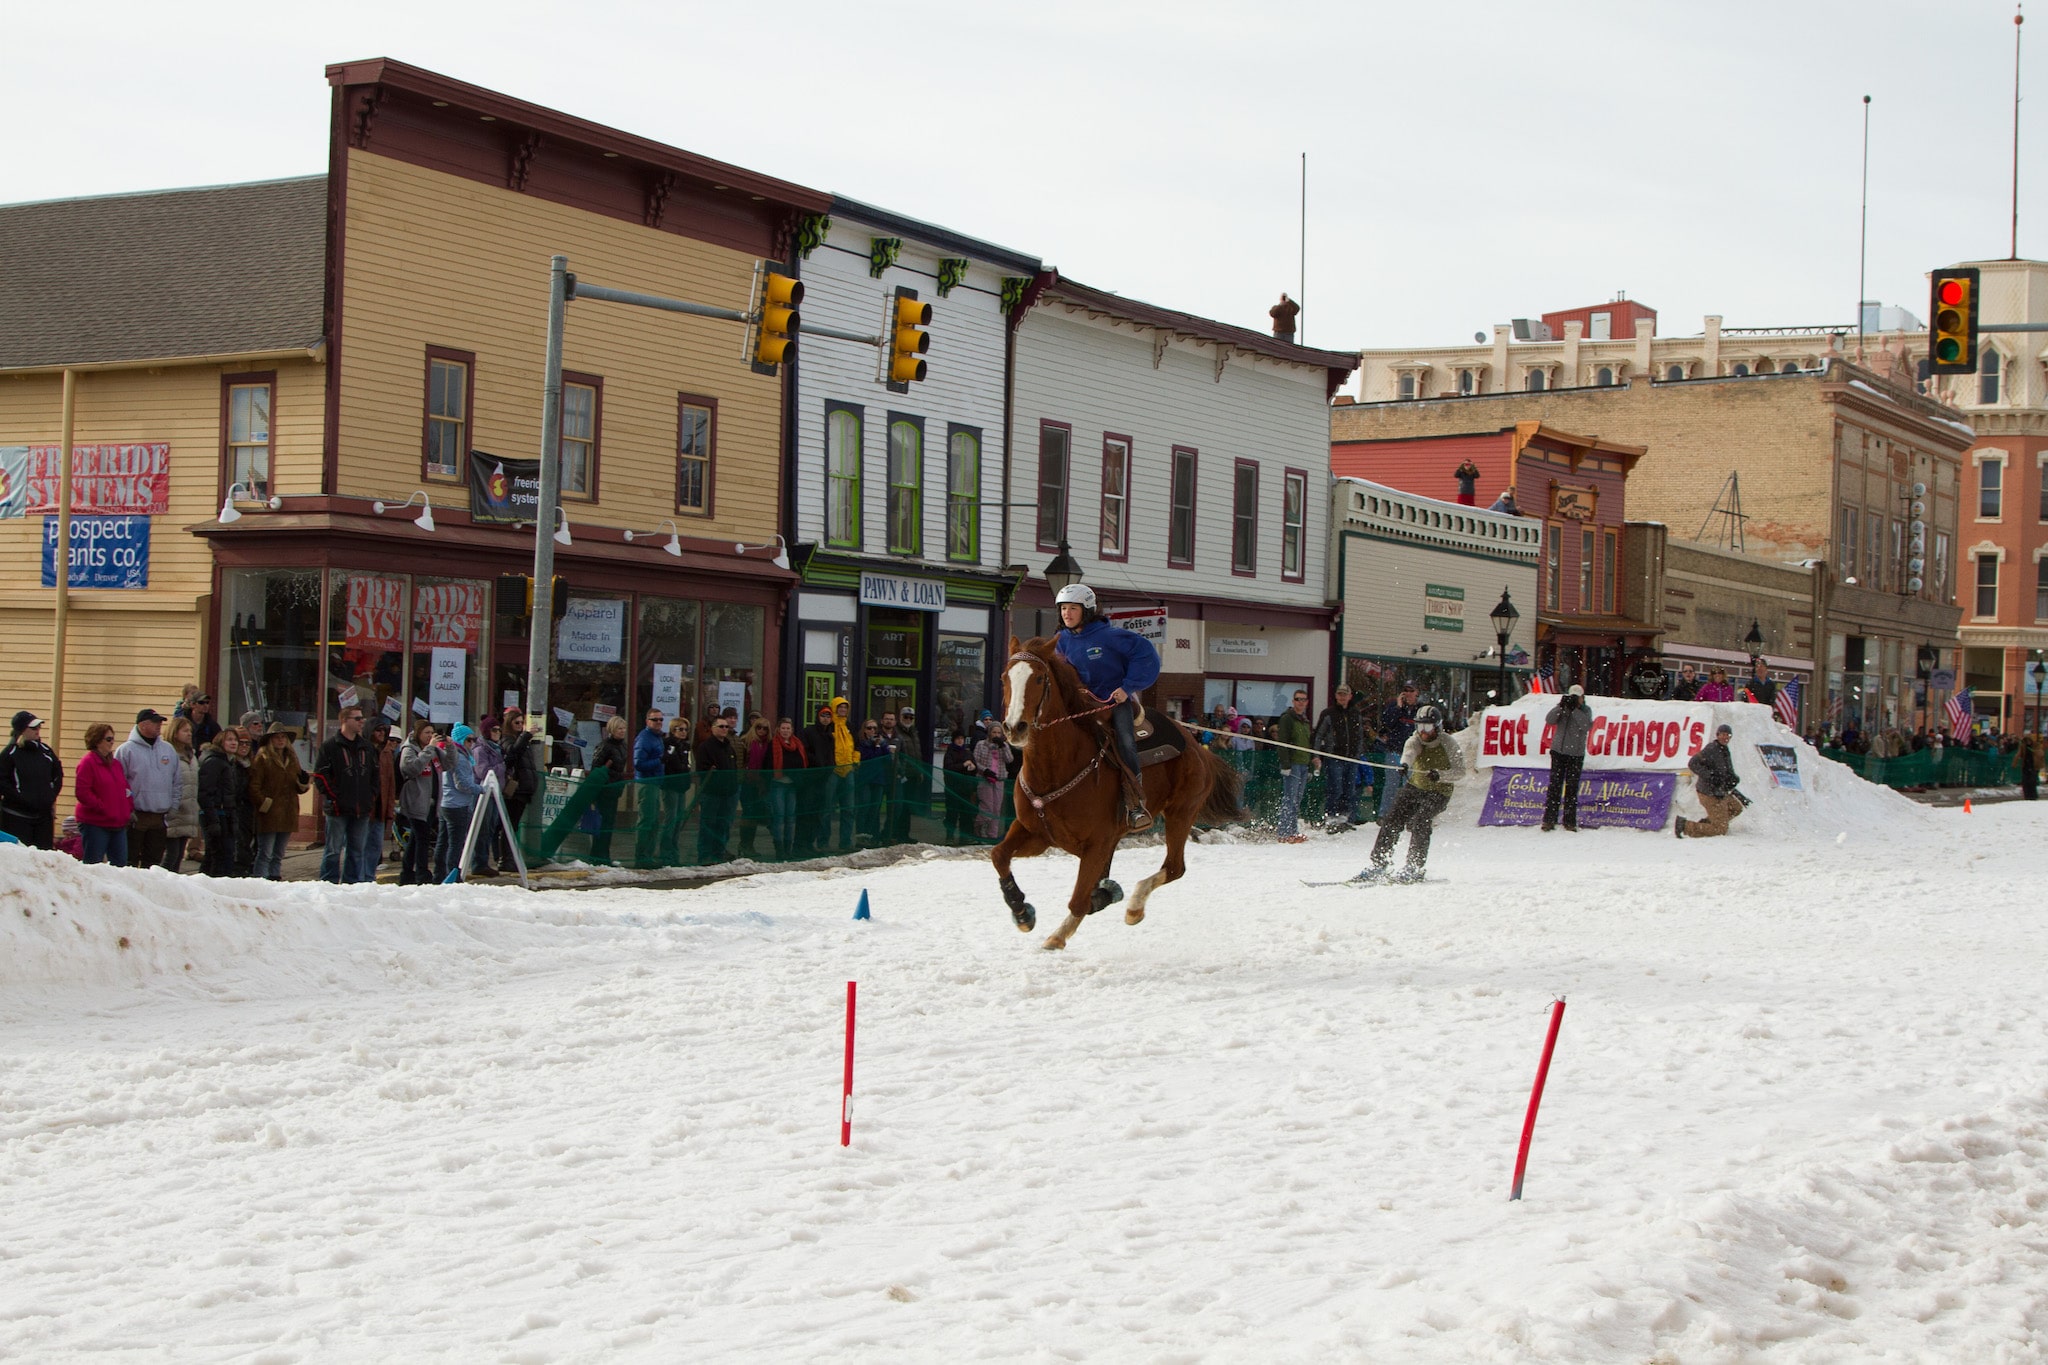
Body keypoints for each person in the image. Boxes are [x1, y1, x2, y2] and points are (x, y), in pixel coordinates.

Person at [1051, 582, 1163, 830]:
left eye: (1073, 608)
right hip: (1079, 705)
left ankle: (1135, 804)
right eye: (1063, 609)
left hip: (1114, 702)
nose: (1066, 614)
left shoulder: (1112, 637)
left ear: (1087, 611)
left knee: (1125, 742)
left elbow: (1147, 656)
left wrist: (1127, 687)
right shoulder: (1060, 641)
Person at [1353, 705, 1463, 884]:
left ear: (1437, 727)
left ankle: (1414, 867)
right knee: (1392, 819)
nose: (1423, 732)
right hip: (1415, 787)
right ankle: (1379, 864)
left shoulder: (1448, 743)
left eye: (1427, 727)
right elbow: (1410, 753)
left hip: (1439, 791)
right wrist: (1404, 765)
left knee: (1421, 821)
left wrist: (1440, 775)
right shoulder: (1414, 740)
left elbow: (1460, 771)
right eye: (1419, 727)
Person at [315, 704, 379, 884]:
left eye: (362, 719)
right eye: (357, 719)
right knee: (333, 849)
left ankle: (352, 885)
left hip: (361, 808)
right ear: (344, 720)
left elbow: (375, 776)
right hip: (337, 808)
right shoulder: (330, 746)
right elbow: (321, 775)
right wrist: (334, 797)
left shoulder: (366, 747)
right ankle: (329, 884)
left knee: (357, 850)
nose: (361, 722)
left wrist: (371, 795)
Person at [116, 707, 181, 871]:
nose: (159, 725)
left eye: (160, 722)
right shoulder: (126, 750)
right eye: (155, 722)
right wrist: (126, 810)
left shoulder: (168, 749)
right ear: (143, 724)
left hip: (159, 817)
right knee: (130, 860)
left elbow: (177, 781)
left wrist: (174, 806)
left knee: (153, 863)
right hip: (136, 816)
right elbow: (118, 783)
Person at [248, 722, 309, 879]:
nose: (281, 740)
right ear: (270, 740)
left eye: (283, 737)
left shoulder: (292, 758)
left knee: (279, 853)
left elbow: (298, 787)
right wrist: (265, 804)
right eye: (277, 737)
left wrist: (303, 782)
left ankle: (275, 878)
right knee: (265, 852)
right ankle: (260, 880)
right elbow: (254, 786)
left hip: (288, 811)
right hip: (269, 813)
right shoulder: (262, 758)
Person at [0, 712, 62, 848]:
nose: (37, 731)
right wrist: (23, 799)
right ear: (22, 730)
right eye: (33, 728)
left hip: (43, 818)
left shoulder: (46, 751)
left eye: (39, 727)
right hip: (17, 817)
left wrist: (50, 796)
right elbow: (3, 782)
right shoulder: (10, 754)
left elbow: (57, 775)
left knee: (43, 857)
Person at [74, 722, 132, 866]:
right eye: (108, 739)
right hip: (96, 822)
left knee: (120, 864)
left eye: (113, 738)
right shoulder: (87, 763)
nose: (112, 742)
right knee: (94, 864)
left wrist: (128, 808)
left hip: (118, 822)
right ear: (97, 740)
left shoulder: (115, 764)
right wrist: (101, 807)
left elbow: (125, 789)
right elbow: (82, 792)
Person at [196, 728, 251, 878]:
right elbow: (205, 793)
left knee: (224, 854)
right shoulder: (214, 761)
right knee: (217, 855)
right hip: (215, 813)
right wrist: (212, 819)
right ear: (220, 741)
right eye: (229, 740)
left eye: (235, 740)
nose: (234, 743)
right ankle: (207, 885)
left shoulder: (228, 762)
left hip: (226, 813)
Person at [750, 716, 807, 857]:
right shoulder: (773, 744)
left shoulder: (797, 744)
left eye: (788, 728)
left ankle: (789, 848)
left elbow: (800, 763)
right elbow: (768, 765)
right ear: (778, 730)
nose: (786, 731)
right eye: (783, 728)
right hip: (778, 785)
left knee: (790, 818)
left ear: (792, 730)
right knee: (779, 817)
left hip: (792, 786)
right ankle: (779, 848)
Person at [1312, 685, 1368, 830]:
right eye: (1340, 694)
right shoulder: (1328, 713)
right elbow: (1318, 735)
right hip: (1334, 756)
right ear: (1336, 696)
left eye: (1345, 694)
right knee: (1335, 788)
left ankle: (1344, 817)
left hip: (1351, 758)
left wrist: (1358, 753)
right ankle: (1330, 817)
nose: (1342, 697)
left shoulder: (1355, 713)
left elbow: (1360, 734)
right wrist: (1316, 754)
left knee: (1349, 789)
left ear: (1350, 696)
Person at [1677, 723, 1744, 839]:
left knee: (1736, 808)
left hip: (1719, 791)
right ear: (1717, 735)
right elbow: (1693, 763)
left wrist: (1733, 779)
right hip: (1709, 793)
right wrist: (1710, 776)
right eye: (1723, 734)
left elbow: (1726, 771)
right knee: (1720, 829)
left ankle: (1708, 823)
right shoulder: (1711, 749)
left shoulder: (1724, 750)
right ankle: (1685, 826)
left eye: (1728, 735)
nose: (1725, 737)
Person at [433, 724, 481, 880]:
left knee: (444, 842)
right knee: (455, 844)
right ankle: (452, 876)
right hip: (457, 805)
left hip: (447, 803)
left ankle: (439, 875)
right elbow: (463, 784)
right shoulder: (460, 757)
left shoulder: (457, 755)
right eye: (468, 740)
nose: (472, 744)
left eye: (474, 740)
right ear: (460, 740)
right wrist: (482, 788)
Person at [1542, 684, 1592, 832]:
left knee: (1571, 788)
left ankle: (1569, 821)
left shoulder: (1586, 710)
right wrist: (1561, 706)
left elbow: (1586, 725)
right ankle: (1549, 820)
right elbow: (1550, 719)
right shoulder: (1562, 709)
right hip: (1558, 752)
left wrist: (1575, 709)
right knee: (1554, 787)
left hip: (1575, 755)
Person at [396, 721, 440, 885]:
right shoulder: (409, 750)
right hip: (416, 800)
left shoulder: (433, 750)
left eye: (432, 733)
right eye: (426, 732)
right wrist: (429, 750)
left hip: (430, 802)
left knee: (416, 838)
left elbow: (448, 764)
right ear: (418, 733)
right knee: (422, 838)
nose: (430, 736)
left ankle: (407, 873)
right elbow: (410, 769)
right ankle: (422, 874)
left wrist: (449, 747)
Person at [1272, 688, 1318, 843]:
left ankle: (1292, 830)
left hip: (1304, 763)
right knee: (1289, 799)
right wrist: (1285, 764)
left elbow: (1308, 744)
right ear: (1293, 701)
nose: (1301, 702)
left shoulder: (1305, 721)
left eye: (1303, 699)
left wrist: (1311, 765)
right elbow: (1283, 742)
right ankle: (1285, 832)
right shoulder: (1287, 718)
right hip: (1293, 763)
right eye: (1298, 699)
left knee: (1297, 799)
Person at [693, 710, 739, 863]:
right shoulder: (705, 747)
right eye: (721, 726)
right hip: (712, 792)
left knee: (724, 824)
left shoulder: (728, 747)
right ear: (713, 728)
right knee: (709, 824)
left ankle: (719, 851)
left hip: (729, 792)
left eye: (726, 727)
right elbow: (702, 770)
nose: (724, 729)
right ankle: (705, 854)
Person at [498, 707, 541, 870]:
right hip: (514, 788)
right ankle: (505, 859)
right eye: (517, 722)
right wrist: (526, 735)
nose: (520, 725)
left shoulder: (522, 740)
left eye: (522, 722)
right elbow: (512, 755)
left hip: (524, 788)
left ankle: (510, 857)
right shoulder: (507, 739)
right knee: (509, 824)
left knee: (513, 825)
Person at [588, 715, 631, 865]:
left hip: (615, 788)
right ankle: (597, 855)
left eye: (624, 728)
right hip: (604, 789)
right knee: (602, 823)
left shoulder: (623, 746)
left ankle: (605, 854)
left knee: (609, 823)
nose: (622, 731)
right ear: (612, 729)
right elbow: (596, 767)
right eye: (619, 728)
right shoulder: (605, 746)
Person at [467, 715, 507, 877]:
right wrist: (502, 766)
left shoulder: (496, 748)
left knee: (491, 828)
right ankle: (478, 863)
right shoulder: (480, 749)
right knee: (482, 829)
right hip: (483, 794)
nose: (498, 733)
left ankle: (483, 861)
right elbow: (483, 772)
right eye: (494, 730)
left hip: (495, 793)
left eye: (499, 730)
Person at [161, 716, 201, 872]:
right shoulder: (168, 754)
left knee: (178, 856)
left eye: (190, 731)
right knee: (171, 854)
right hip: (175, 811)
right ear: (175, 732)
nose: (189, 734)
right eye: (185, 730)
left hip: (188, 811)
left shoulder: (191, 755)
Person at [1378, 682, 1420, 821]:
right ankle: (1385, 814)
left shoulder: (1420, 710)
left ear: (1416, 693)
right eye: (1405, 690)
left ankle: (1408, 815)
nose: (1408, 693)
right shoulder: (1394, 707)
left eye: (1411, 690)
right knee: (1391, 785)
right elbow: (1386, 723)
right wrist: (1398, 707)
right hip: (1394, 751)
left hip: (1412, 754)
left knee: (1411, 785)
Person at [632, 708, 669, 868]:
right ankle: (641, 857)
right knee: (646, 820)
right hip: (646, 783)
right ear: (647, 721)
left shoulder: (657, 737)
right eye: (655, 720)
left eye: (661, 719)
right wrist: (660, 760)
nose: (659, 722)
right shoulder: (644, 738)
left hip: (656, 782)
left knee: (654, 821)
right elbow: (638, 763)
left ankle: (649, 855)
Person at [364, 717, 398, 877]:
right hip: (364, 808)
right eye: (378, 730)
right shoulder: (363, 750)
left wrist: (390, 809)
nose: (382, 734)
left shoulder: (386, 753)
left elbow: (391, 784)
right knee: (360, 847)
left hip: (380, 807)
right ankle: (358, 878)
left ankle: (369, 877)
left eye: (384, 731)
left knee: (376, 847)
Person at [854, 717, 892, 845]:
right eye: (869, 728)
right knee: (864, 806)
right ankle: (860, 836)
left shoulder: (881, 744)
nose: (872, 730)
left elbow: (888, 759)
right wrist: (874, 746)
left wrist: (884, 746)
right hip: (865, 779)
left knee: (874, 809)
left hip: (879, 779)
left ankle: (870, 836)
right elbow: (866, 758)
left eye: (875, 728)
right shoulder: (861, 744)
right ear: (864, 730)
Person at [889, 706, 924, 842]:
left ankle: (905, 834)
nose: (908, 719)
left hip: (914, 774)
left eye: (911, 717)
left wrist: (920, 770)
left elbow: (918, 753)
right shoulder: (896, 732)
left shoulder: (914, 732)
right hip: (901, 774)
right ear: (900, 717)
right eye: (906, 717)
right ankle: (894, 833)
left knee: (908, 806)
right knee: (899, 806)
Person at [972, 723, 1009, 839]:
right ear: (989, 733)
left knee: (997, 808)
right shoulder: (981, 744)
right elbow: (975, 761)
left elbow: (1009, 759)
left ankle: (992, 835)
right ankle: (979, 827)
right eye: (994, 732)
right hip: (985, 778)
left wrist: (1003, 746)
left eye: (999, 732)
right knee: (987, 806)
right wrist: (985, 770)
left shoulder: (1003, 745)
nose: (996, 735)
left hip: (999, 779)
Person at [941, 730, 978, 842]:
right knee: (952, 814)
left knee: (966, 814)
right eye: (958, 738)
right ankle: (950, 836)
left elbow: (974, 768)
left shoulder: (968, 753)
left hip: (966, 789)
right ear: (954, 740)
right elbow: (948, 768)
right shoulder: (949, 753)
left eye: (962, 738)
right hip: (953, 788)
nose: (960, 740)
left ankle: (965, 837)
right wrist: (963, 765)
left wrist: (973, 767)